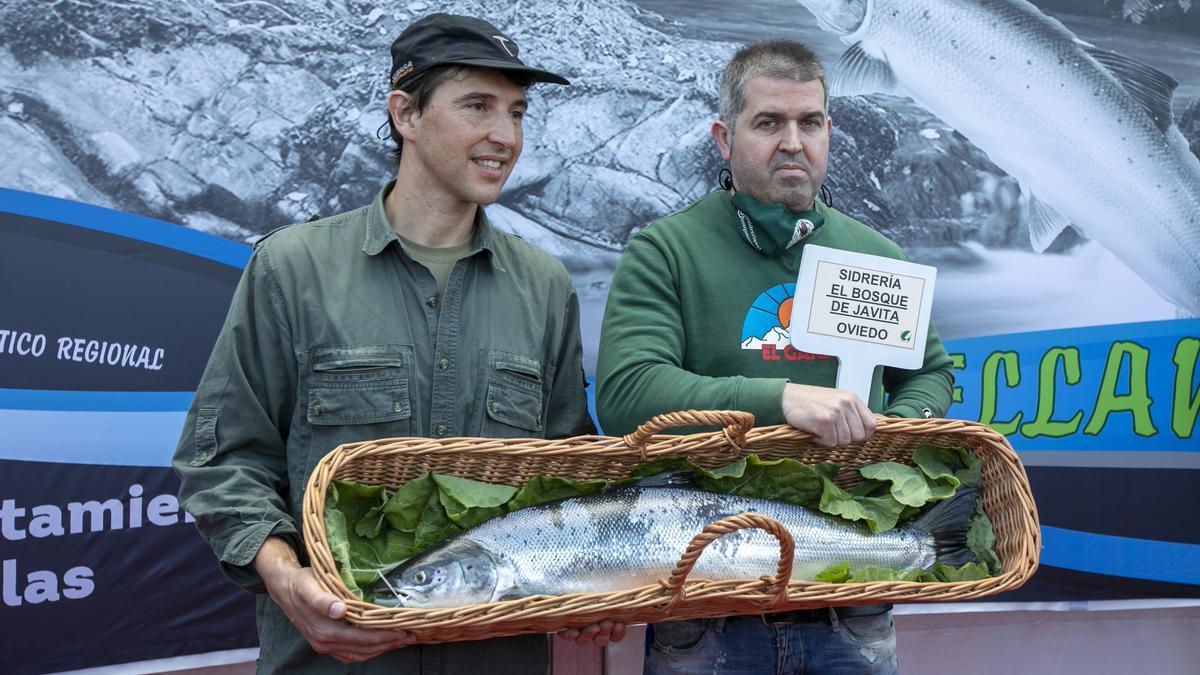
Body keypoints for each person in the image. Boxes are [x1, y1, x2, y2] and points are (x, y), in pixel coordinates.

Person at [173, 13, 622, 673]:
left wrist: (597, 580)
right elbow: (221, 459)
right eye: (478, 106)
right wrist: (284, 579)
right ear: (405, 114)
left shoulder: (544, 284)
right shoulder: (293, 268)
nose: (506, 136)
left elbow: (566, 480)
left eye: (518, 112)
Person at [596, 39, 954, 674]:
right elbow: (628, 395)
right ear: (723, 138)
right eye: (768, 122)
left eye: (809, 123)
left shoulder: (878, 257)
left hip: (853, 601)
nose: (793, 141)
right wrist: (784, 400)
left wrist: (898, 433)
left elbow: (927, 374)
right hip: (704, 608)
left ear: (828, 132)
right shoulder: (664, 250)